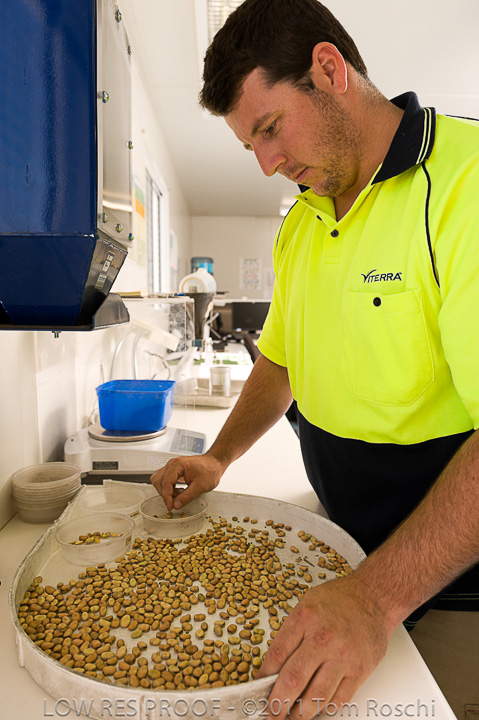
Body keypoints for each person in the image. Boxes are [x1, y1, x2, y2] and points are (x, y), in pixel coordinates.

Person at [151, 0, 479, 717]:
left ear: (329, 70)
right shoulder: (302, 221)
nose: (267, 164)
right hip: (342, 557)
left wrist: (375, 599)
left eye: (269, 128)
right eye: (251, 146)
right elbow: (279, 362)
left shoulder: (466, 184)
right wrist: (219, 457)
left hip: (450, 586)